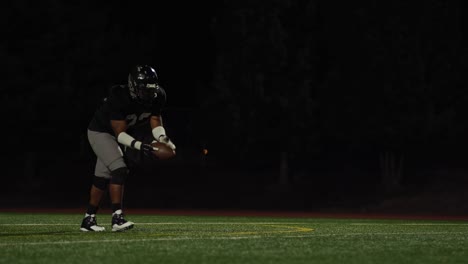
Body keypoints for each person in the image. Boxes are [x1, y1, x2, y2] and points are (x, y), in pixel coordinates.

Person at [80, 65, 176, 232]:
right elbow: (120, 134)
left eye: (151, 89)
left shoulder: (158, 96)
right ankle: (117, 218)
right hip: (101, 132)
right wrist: (141, 146)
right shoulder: (119, 97)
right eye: (144, 89)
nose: (149, 94)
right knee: (120, 169)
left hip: (117, 134)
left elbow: (155, 119)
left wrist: (163, 138)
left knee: (102, 176)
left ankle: (88, 219)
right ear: (133, 87)